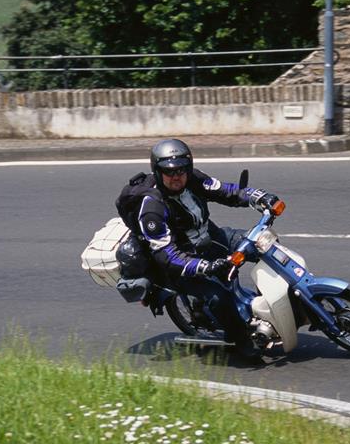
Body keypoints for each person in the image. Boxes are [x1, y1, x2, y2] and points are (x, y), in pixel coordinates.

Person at [119, 138, 280, 361]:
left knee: (264, 244)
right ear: (158, 172)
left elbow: (225, 191)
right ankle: (241, 341)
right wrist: (203, 266)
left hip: (209, 237)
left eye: (182, 170)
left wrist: (257, 196)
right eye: (169, 171)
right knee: (219, 296)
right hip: (181, 262)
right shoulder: (152, 209)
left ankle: (275, 303)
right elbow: (167, 255)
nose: (176, 176)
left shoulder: (192, 179)